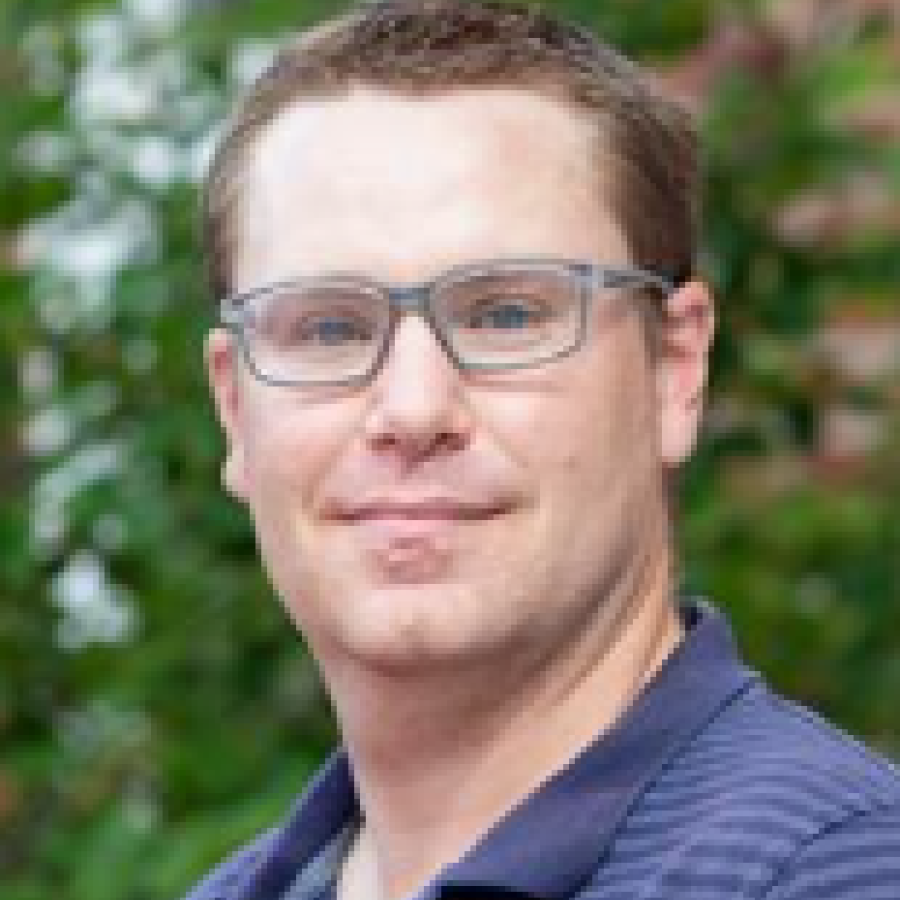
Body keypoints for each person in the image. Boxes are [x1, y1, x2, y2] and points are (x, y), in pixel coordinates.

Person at [187, 2, 900, 898]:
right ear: (234, 408)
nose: (414, 409)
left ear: (674, 369)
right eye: (329, 328)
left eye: (507, 315)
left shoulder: (838, 871)